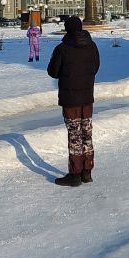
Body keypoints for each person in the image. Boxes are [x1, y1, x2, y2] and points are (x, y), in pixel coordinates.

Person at [47, 15, 100, 187]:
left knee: (74, 135)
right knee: (87, 133)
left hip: (70, 99)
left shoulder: (62, 48)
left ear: (67, 29)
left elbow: (53, 71)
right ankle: (87, 171)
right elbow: (95, 68)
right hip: (87, 98)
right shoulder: (92, 46)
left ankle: (75, 174)